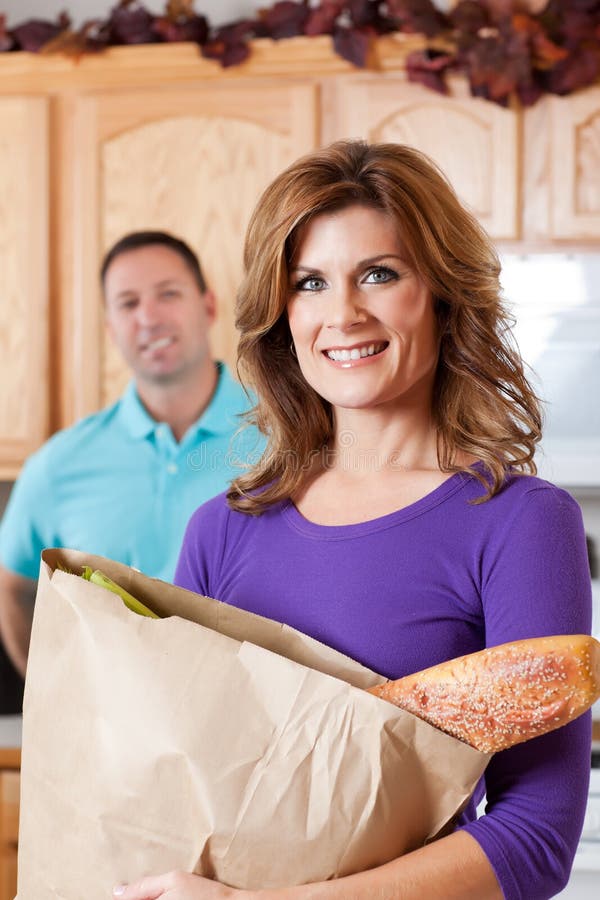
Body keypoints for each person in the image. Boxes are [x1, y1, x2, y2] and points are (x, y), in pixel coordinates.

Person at [114, 143, 592, 900]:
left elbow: (536, 835)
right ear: (283, 317)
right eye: (310, 283)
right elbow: (180, 787)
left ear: (439, 292)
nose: (343, 315)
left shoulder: (519, 525)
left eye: (379, 273)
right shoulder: (222, 531)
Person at [0, 230, 263, 686]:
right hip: (112, 742)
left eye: (168, 294)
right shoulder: (57, 465)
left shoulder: (290, 441)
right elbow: (15, 590)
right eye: (127, 303)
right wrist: (55, 690)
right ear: (110, 329)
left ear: (208, 306)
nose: (149, 317)